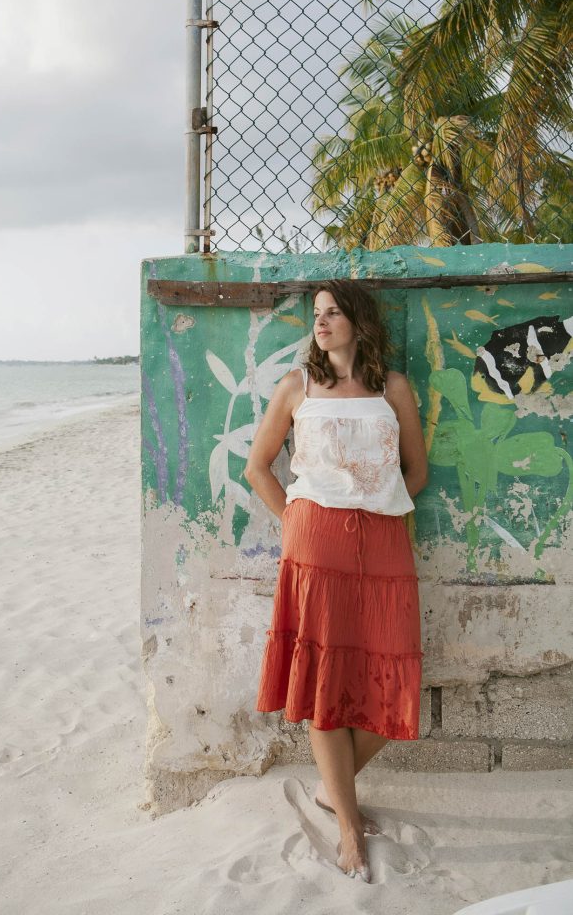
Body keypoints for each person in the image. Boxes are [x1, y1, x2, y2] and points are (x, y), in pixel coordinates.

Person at [243, 278, 428, 883]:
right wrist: (297, 520)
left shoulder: (392, 389)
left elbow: (416, 472)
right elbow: (257, 467)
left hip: (383, 547)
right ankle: (348, 825)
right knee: (325, 680)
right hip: (314, 546)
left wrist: (374, 510)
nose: (320, 323)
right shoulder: (297, 386)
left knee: (391, 684)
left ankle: (333, 789)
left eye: (333, 312)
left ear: (358, 320)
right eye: (316, 314)